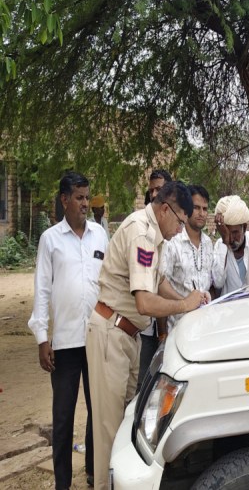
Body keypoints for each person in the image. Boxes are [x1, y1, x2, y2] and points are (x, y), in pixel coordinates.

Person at [86, 181, 207, 490]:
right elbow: (144, 300)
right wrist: (182, 304)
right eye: (180, 221)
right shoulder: (142, 233)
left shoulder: (157, 234)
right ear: (165, 209)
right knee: (109, 434)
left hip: (127, 337)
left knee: (126, 430)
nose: (182, 230)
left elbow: (159, 281)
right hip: (111, 334)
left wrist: (188, 301)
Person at [28, 172, 108, 490]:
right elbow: (42, 291)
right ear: (64, 200)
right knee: (62, 418)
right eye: (79, 197)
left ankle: (92, 470)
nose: (85, 203)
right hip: (63, 344)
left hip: (97, 339)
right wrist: (42, 338)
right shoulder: (50, 239)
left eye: (87, 197)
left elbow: (111, 282)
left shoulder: (101, 235)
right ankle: (62, 483)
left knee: (98, 410)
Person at [160, 185, 222, 332]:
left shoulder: (208, 243)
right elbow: (160, 287)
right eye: (196, 207)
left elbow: (210, 286)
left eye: (205, 209)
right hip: (177, 329)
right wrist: (162, 335)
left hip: (204, 330)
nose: (201, 213)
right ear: (187, 209)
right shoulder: (172, 241)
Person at [139, 168, 172, 388]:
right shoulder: (142, 230)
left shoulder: (170, 231)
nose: (154, 194)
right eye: (151, 190)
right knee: (140, 389)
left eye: (159, 189)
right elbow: (149, 292)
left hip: (166, 328)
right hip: (143, 328)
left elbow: (161, 281)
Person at [213, 195, 249, 295]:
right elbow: (218, 282)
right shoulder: (220, 246)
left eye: (235, 233)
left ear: (245, 227)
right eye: (226, 233)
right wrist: (224, 241)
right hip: (228, 308)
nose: (231, 239)